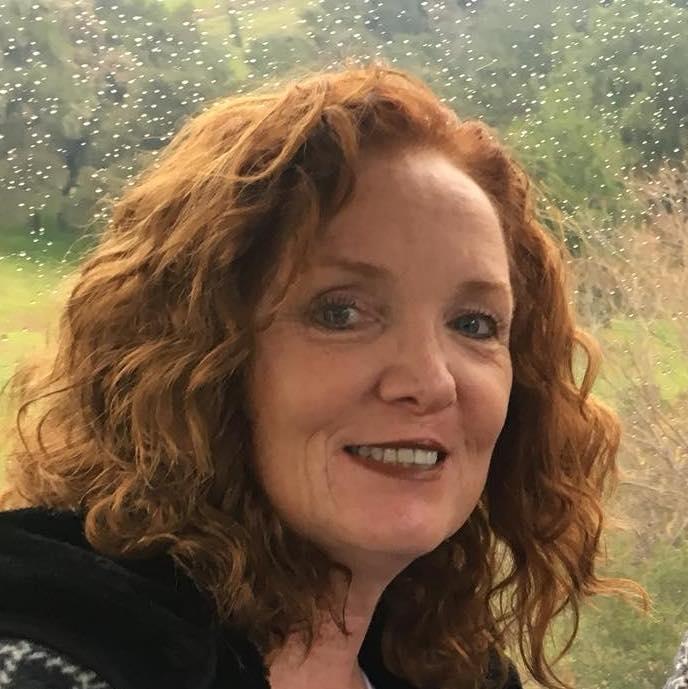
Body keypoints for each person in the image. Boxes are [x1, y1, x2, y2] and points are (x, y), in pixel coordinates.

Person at [0, 61, 640, 689]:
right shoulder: (58, 643)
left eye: (474, 324)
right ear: (195, 358)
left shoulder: (450, 669)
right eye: (341, 312)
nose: (432, 382)